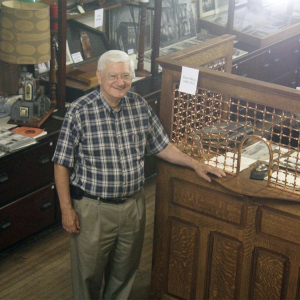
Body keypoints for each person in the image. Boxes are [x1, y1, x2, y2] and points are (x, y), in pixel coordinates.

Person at [52, 50, 226, 300]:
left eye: (125, 75)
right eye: (113, 75)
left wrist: (195, 164)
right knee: (88, 275)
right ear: (100, 76)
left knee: (124, 273)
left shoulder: (139, 105)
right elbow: (61, 164)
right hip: (93, 209)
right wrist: (67, 210)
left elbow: (162, 146)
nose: (119, 82)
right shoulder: (79, 111)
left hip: (133, 206)